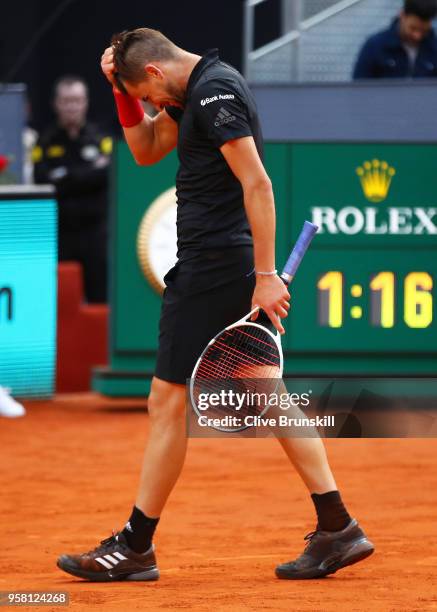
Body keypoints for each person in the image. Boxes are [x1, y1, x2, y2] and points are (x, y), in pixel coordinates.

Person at [57, 28, 374, 582]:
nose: (153, 108)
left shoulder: (213, 94)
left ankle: (136, 546)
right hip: (214, 264)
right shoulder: (192, 91)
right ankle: (337, 526)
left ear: (156, 72)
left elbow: (258, 184)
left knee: (166, 403)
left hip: (214, 267)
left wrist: (266, 276)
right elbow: (144, 150)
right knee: (266, 393)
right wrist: (119, 90)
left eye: (148, 96)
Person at [33, 76, 112, 303]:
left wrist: (66, 176)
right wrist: (87, 174)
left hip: (95, 233)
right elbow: (43, 181)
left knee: (99, 298)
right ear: (56, 104)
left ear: (85, 103)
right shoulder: (45, 142)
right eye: (66, 101)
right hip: (61, 234)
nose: (71, 106)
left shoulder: (101, 139)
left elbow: (106, 175)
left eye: (76, 100)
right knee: (61, 299)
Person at [353, 0, 437, 79]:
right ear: (402, 15)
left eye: (424, 30)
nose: (417, 36)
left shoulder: (434, 48)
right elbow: (358, 87)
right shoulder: (375, 46)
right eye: (413, 28)